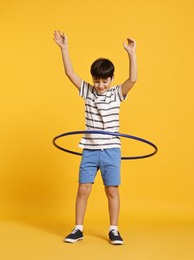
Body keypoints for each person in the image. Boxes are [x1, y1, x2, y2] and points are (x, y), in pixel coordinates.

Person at [53, 30, 137, 245]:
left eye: (104, 81)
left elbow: (133, 79)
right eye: (97, 81)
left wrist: (131, 54)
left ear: (111, 79)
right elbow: (70, 73)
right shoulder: (88, 91)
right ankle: (78, 228)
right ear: (92, 80)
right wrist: (64, 49)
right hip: (90, 149)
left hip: (111, 150)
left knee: (112, 190)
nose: (100, 85)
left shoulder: (117, 93)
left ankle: (114, 230)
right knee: (83, 189)